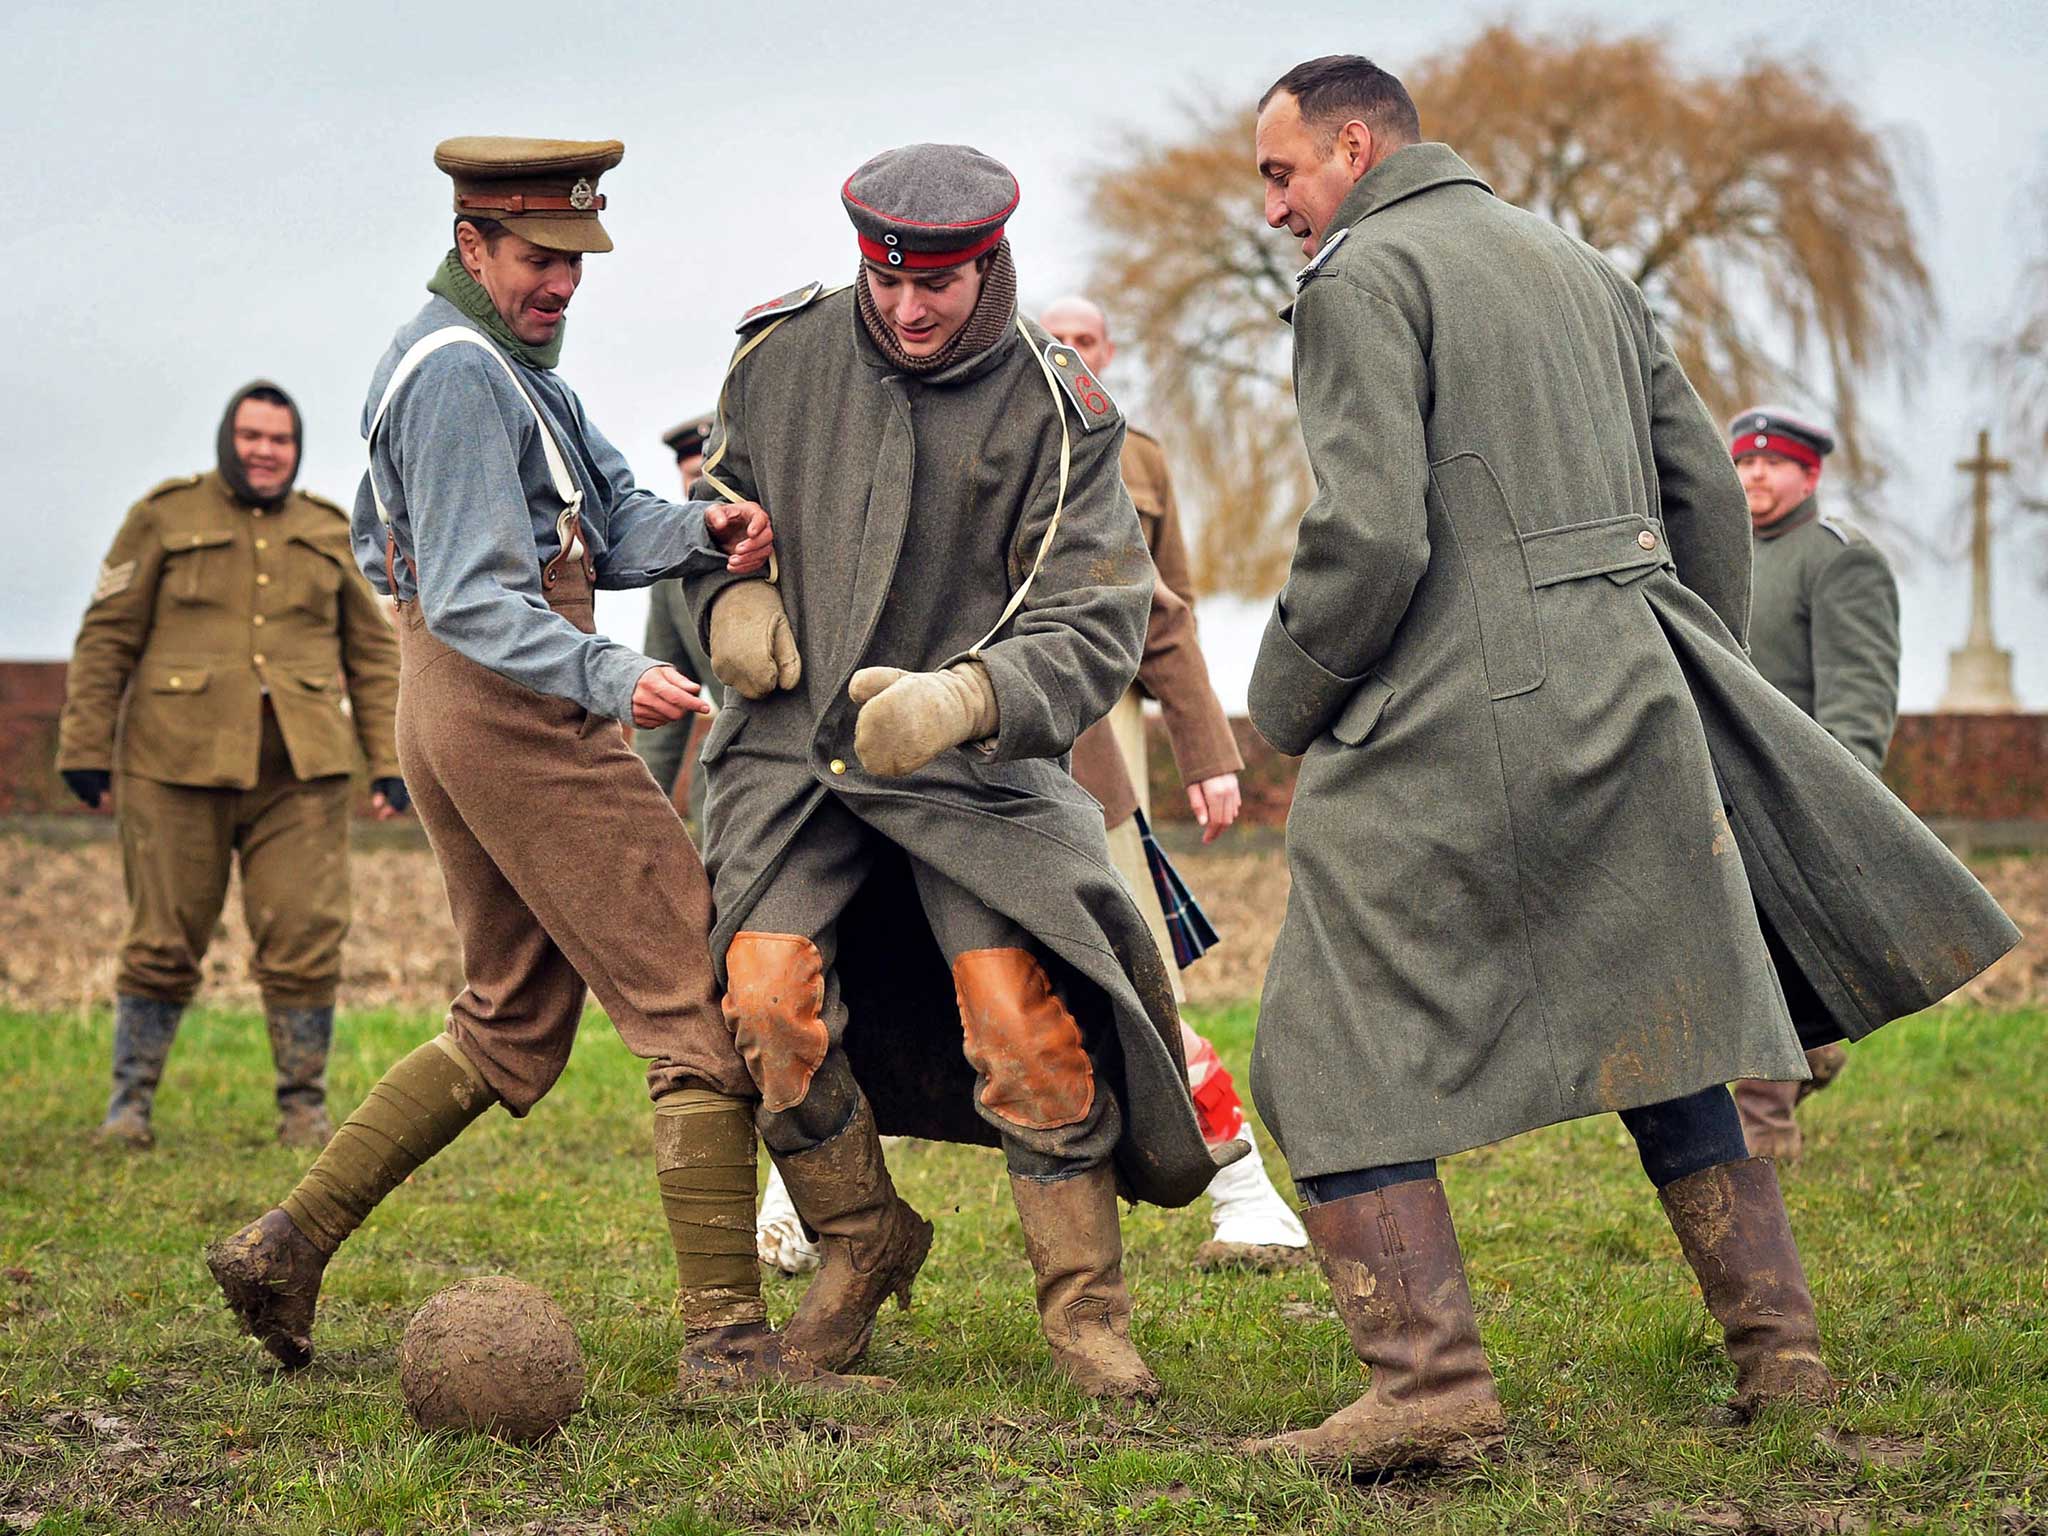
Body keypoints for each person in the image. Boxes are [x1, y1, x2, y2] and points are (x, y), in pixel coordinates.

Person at [1241, 56, 2017, 1472]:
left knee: (1319, 1039)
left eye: (1283, 176)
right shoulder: (1578, 263)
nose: (1278, 211)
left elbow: (1373, 539)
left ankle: (1428, 1386)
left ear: (1352, 147)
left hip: (1446, 710)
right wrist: (1671, 650)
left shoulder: (1361, 278)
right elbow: (1703, 488)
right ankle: (1779, 1355)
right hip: (1627, 682)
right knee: (1663, 1009)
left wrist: (1286, 700)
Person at [205, 135, 861, 1394]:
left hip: (462, 712)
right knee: (692, 1000)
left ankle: (283, 1247)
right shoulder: (457, 374)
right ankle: (728, 1347)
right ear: (471, 245)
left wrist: (702, 530)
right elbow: (464, 593)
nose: (562, 281)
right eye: (538, 257)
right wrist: (610, 677)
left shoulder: (514, 367)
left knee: (508, 1022)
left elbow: (605, 521)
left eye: (576, 258)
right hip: (510, 707)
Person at [685, 142, 1220, 1401]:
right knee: (762, 997)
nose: (908, 309)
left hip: (973, 774)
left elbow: (1095, 621)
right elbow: (716, 507)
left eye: (935, 285)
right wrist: (730, 599)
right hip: (794, 755)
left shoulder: (1062, 409)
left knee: (1017, 1016)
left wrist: (967, 698)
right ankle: (862, 1246)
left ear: (989, 264)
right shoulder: (779, 359)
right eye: (885, 283)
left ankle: (1085, 1315)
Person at [57, 380, 404, 1151]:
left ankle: (303, 1109)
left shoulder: (327, 529)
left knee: (306, 935)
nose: (265, 450)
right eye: (252, 436)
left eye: (280, 439)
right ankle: (130, 1107)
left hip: (301, 778)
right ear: (228, 439)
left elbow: (373, 655)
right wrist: (84, 747)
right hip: (172, 767)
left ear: (296, 448)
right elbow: (107, 634)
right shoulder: (163, 517)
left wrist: (389, 760)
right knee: (163, 937)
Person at [1040, 294, 1305, 1268]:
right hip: (929, 750)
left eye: (1084, 342)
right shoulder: (989, 432)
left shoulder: (1136, 457)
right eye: (1053, 339)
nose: (1068, 354)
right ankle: (798, 1211)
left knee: (1133, 966)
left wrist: (1202, 750)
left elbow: (1165, 605)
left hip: (1092, 735)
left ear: (1108, 353)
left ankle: (1241, 1191)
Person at [1729, 406, 1901, 1162]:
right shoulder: (1722, 553)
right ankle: (1817, 1043)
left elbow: (1858, 702)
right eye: (1745, 462)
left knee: (1766, 954)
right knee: (1736, 954)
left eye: (1774, 463)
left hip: (1796, 801)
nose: (1756, 475)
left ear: (1811, 473)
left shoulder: (1840, 560)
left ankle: (1764, 1134)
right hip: (1722, 792)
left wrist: (1836, 806)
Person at [634, 413, 724, 829]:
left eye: (715, 475)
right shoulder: (673, 577)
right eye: (693, 479)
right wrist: (642, 822)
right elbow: (668, 706)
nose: (704, 490)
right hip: (732, 782)